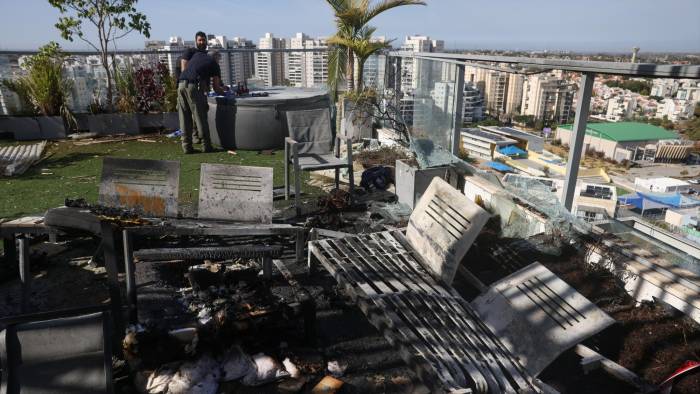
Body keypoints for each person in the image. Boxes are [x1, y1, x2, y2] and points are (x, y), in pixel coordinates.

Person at [177, 32, 225, 153]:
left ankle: (186, 147)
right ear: (216, 58)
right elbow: (216, 87)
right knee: (200, 117)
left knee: (185, 118)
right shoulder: (213, 63)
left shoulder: (196, 56)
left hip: (181, 85)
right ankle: (206, 146)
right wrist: (226, 93)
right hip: (193, 86)